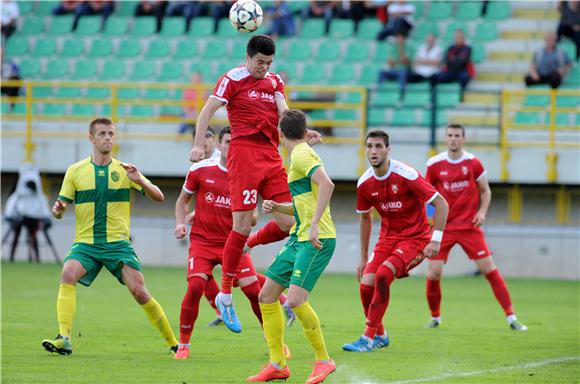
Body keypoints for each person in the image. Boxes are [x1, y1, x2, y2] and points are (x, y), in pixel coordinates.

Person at [188, 34, 321, 334]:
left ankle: (247, 245)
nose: (264, 68)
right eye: (260, 62)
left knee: (289, 222)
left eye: (269, 63)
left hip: (271, 155)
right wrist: (198, 145)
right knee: (242, 224)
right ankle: (224, 295)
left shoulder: (273, 81)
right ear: (247, 58)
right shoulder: (232, 79)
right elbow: (207, 112)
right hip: (244, 154)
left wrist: (303, 131)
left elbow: (283, 113)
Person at [41, 117, 178, 355]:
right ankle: (64, 338)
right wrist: (58, 210)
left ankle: (175, 344)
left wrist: (141, 180)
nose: (108, 138)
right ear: (91, 138)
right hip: (87, 244)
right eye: (103, 133)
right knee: (67, 273)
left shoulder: (126, 171)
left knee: (140, 291)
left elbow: (159, 197)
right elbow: (60, 209)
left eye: (111, 134)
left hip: (118, 245)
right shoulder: (75, 171)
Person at [174, 128, 295, 359]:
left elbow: (254, 217)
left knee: (252, 289)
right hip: (203, 242)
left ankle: (274, 343)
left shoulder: (248, 174)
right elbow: (183, 200)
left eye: (236, 143)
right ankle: (183, 345)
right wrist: (180, 223)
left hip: (233, 242)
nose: (232, 147)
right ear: (219, 145)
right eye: (228, 142)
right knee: (196, 286)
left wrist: (240, 214)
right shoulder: (200, 169)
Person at [247, 109, 336, 383]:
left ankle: (324, 360)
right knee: (266, 295)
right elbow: (305, 202)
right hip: (299, 237)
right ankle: (277, 364)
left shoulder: (300, 154)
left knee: (296, 300)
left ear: (279, 133)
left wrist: (313, 225)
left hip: (316, 238)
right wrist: (280, 208)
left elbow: (327, 185)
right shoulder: (300, 153)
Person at [342, 130, 449, 352]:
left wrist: (435, 240)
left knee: (383, 274)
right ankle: (381, 335)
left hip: (415, 239)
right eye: (369, 146)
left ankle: (367, 338)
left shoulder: (406, 174)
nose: (373, 151)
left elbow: (442, 203)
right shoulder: (365, 183)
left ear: (388, 150)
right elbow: (365, 218)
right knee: (365, 287)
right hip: (387, 240)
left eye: (379, 146)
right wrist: (363, 258)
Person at [424, 124, 528, 331]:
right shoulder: (434, 163)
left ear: (463, 138)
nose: (453, 139)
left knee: (488, 269)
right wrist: (428, 221)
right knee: (434, 272)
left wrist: (482, 212)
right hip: (443, 227)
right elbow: (428, 196)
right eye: (450, 135)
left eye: (457, 135)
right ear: (445, 139)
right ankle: (435, 317)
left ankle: (511, 317)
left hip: (469, 226)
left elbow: (486, 191)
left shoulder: (473, 163)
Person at [3, 163, 51, 263]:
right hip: (19, 217)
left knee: (33, 237)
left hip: (33, 218)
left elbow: (44, 207)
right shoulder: (19, 195)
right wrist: (9, 216)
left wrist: (46, 219)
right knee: (16, 235)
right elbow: (11, 205)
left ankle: (37, 258)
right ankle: (11, 258)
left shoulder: (39, 197)